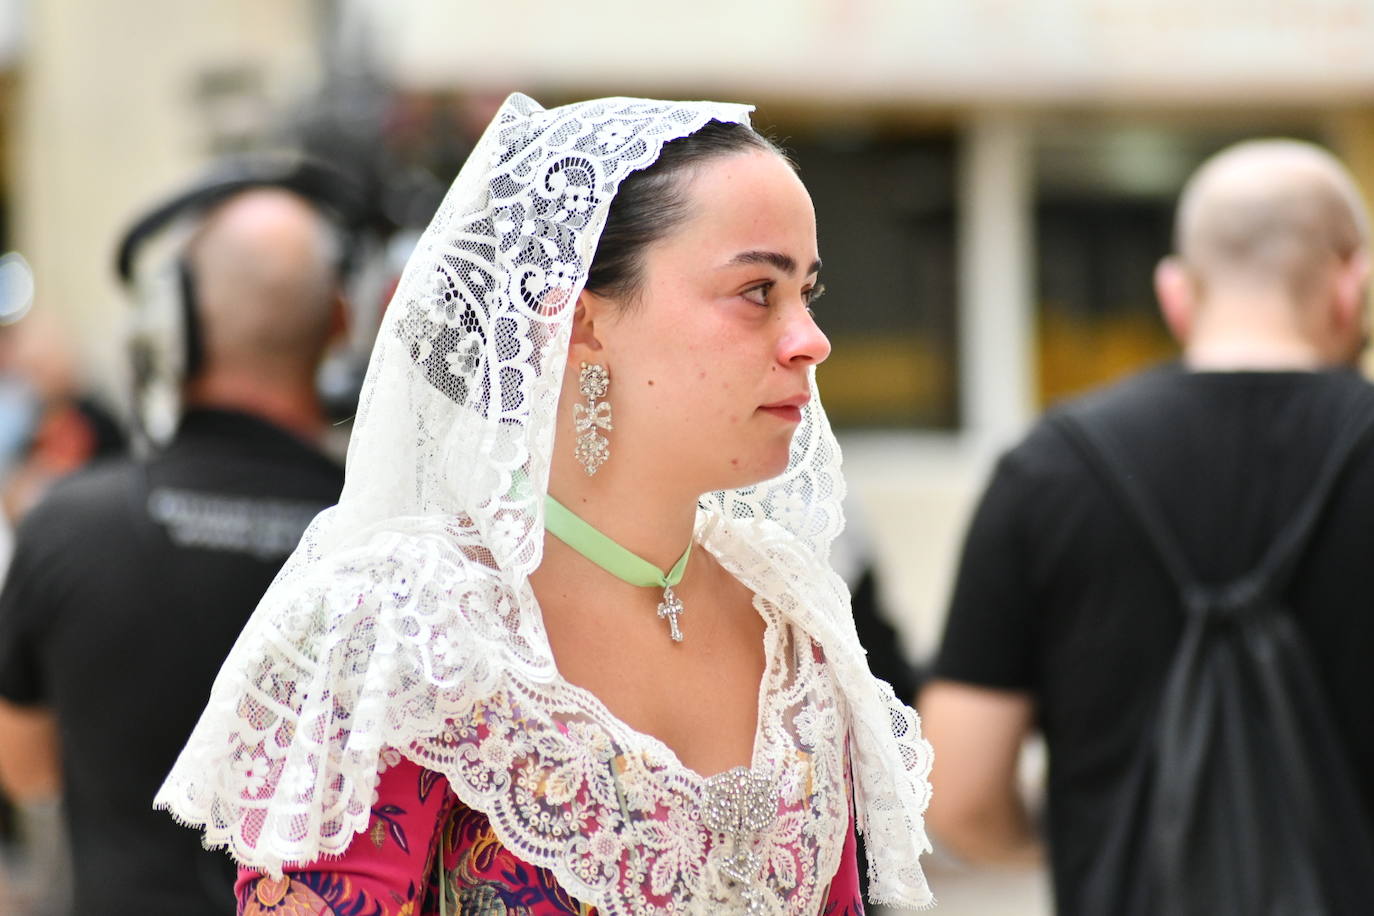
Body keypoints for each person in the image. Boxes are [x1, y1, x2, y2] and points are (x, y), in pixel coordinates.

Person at [156, 94, 934, 915]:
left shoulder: (793, 625)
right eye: (755, 291)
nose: (810, 338)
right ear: (583, 323)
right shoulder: (406, 626)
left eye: (806, 292)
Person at [921, 138, 1374, 913]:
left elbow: (957, 790)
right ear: (1353, 284)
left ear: (1175, 293)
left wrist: (1088, 842)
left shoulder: (1049, 469)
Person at [0, 173, 352, 914]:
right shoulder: (387, 547)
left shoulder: (67, 527)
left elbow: (26, 768)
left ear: (169, 324)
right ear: (340, 324)